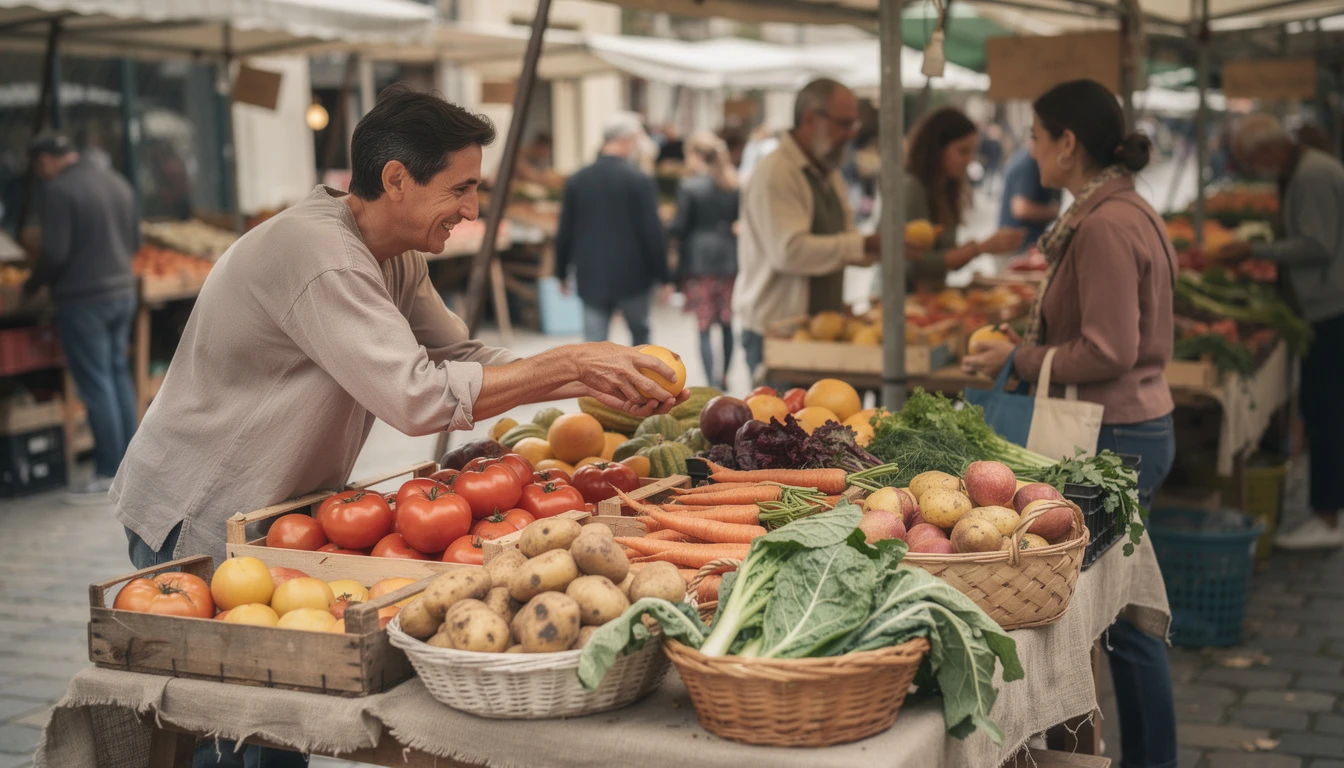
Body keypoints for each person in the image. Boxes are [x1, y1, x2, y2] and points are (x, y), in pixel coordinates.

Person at [113, 89, 685, 768]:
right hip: (200, 506)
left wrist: (592, 379)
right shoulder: (320, 254)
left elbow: (459, 356)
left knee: (279, 728)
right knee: (228, 734)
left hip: (276, 512)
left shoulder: (395, 251)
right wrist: (567, 362)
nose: (471, 210)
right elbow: (416, 399)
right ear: (395, 179)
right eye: (460, 188)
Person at [963, 79, 1178, 768]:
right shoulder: (1123, 208)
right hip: (1134, 424)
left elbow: (1110, 349)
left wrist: (1018, 358)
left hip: (1113, 432)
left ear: (1067, 143)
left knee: (1115, 617)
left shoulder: (1104, 225)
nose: (1029, 150)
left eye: (1035, 136)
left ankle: (1148, 758)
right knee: (1118, 613)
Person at [1216, 113, 1344, 550]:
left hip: (1330, 308)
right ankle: (1328, 509)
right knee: (1323, 407)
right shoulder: (1306, 169)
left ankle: (1328, 517)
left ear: (1269, 149)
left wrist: (1255, 249)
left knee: (1325, 410)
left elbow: (1318, 244)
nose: (1253, 169)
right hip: (1324, 304)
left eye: (1251, 160)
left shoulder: (1311, 175)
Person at [734, 78, 879, 378]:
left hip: (820, 332)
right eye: (844, 123)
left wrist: (878, 247)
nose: (851, 134)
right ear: (810, 119)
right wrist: (864, 245)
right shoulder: (777, 172)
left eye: (853, 124)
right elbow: (789, 252)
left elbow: (846, 239)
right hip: (779, 335)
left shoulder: (827, 171)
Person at [24, 133, 139, 503]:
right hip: (123, 293)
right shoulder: (117, 181)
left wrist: (31, 285)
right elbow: (135, 242)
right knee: (118, 376)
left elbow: (54, 253)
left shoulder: (59, 190)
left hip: (84, 299)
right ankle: (131, 468)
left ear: (45, 160)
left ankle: (108, 472)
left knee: (96, 382)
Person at [554, 113, 669, 346]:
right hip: (634, 276)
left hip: (592, 273)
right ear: (627, 140)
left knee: (594, 346)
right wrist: (664, 276)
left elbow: (565, 229)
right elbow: (652, 232)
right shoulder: (639, 180)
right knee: (641, 341)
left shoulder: (578, 179)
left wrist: (561, 272)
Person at [900, 107, 1024, 292]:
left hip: (930, 297)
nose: (969, 160)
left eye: (972, 152)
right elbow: (916, 264)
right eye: (963, 151)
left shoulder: (944, 189)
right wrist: (979, 248)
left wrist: (979, 248)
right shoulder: (912, 188)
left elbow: (943, 257)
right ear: (936, 149)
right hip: (901, 300)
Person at [670, 132, 739, 390]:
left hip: (699, 262)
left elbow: (680, 225)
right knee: (727, 321)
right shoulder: (732, 183)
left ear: (697, 156)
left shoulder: (690, 186)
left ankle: (710, 381)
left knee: (704, 324)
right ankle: (725, 376)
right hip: (729, 258)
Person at [998, 146, 1061, 252]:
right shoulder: (1030, 162)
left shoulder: (1024, 156)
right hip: (1019, 246)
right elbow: (1021, 208)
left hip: (1019, 243)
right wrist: (1055, 212)